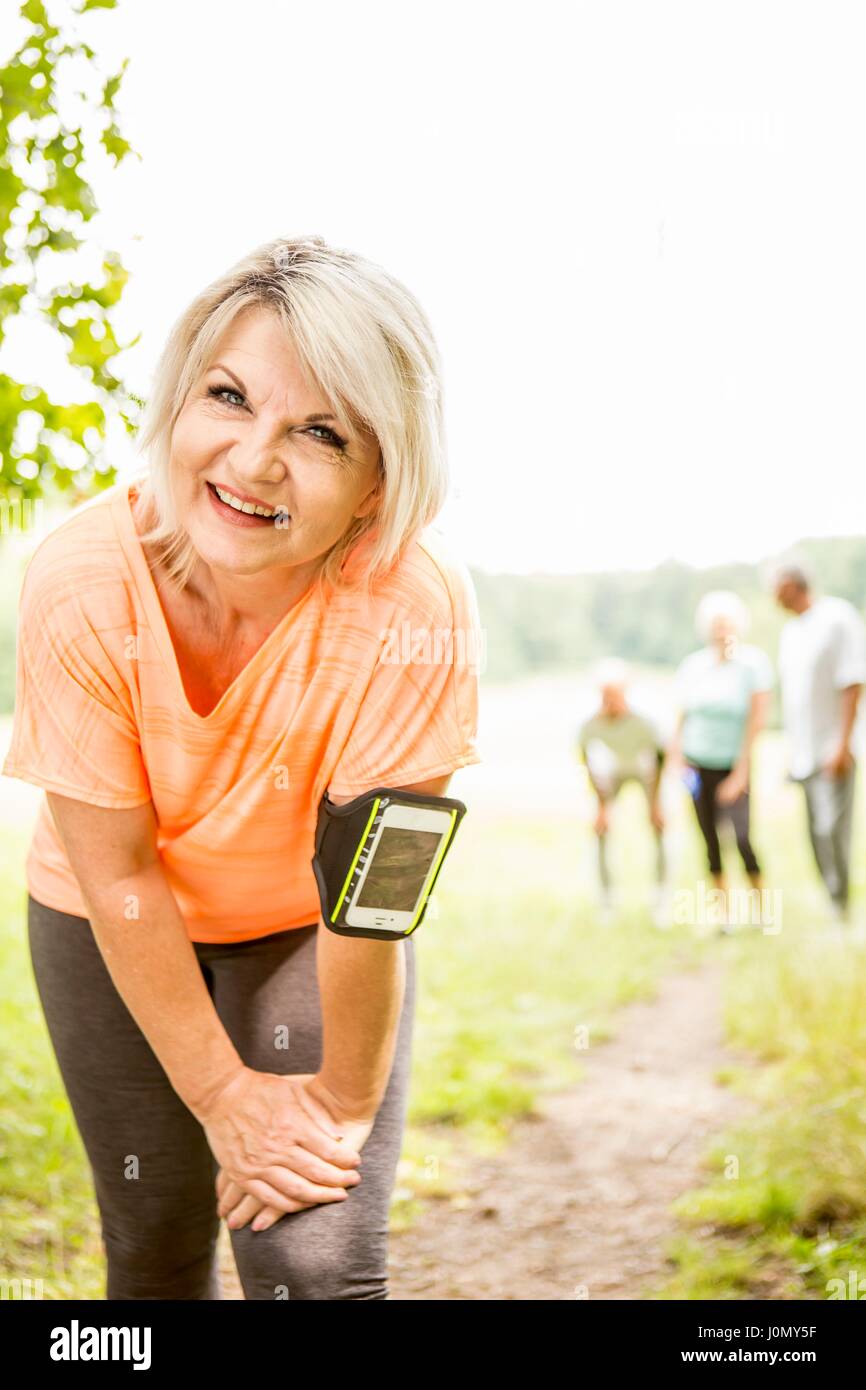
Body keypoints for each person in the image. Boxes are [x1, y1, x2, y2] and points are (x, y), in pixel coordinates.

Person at [2, 235, 482, 1300]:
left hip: (303, 932)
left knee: (313, 1263)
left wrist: (340, 1109)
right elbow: (119, 875)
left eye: (319, 432)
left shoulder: (413, 608)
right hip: (105, 916)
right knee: (156, 1239)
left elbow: (373, 897)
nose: (255, 458)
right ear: (177, 406)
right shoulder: (79, 582)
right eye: (227, 397)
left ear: (376, 484)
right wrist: (223, 1100)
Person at [669, 591, 773, 931]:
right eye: (715, 625)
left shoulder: (753, 664)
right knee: (709, 841)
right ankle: (723, 915)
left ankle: (761, 911)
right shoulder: (693, 666)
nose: (721, 631)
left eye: (726, 624)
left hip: (733, 764)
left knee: (742, 838)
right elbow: (681, 717)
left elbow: (756, 721)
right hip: (698, 764)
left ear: (738, 626)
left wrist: (741, 771)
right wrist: (677, 759)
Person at [771, 558, 866, 924]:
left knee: (832, 829)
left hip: (834, 748)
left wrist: (843, 743)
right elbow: (794, 700)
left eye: (775, 586)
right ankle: (831, 897)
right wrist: (791, 750)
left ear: (793, 584)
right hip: (804, 752)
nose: (771, 595)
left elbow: (852, 682)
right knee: (813, 832)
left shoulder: (837, 618)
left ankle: (841, 904)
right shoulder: (791, 633)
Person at [577, 658, 667, 919]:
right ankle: (607, 901)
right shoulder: (591, 723)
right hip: (613, 772)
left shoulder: (644, 719)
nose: (609, 701)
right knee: (600, 829)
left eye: (614, 695)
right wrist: (603, 806)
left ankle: (660, 899)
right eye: (604, 695)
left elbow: (661, 758)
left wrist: (655, 804)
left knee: (660, 826)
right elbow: (588, 761)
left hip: (647, 769)